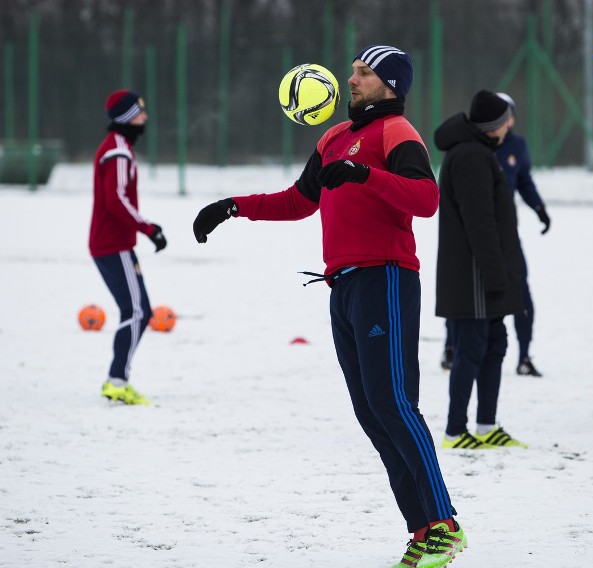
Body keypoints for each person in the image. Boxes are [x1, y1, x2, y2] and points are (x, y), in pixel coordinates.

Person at [192, 45, 466, 568]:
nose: (352, 78)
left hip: (386, 278)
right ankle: (423, 530)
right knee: (371, 413)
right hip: (344, 286)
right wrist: (232, 207)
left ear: (390, 86)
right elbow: (298, 201)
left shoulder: (396, 134)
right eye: (355, 70)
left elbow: (425, 200)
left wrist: (366, 177)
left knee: (394, 406)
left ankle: (445, 523)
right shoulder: (335, 138)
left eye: (364, 73)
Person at [434, 89, 528, 450]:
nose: (510, 126)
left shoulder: (478, 152)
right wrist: (494, 273)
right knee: (470, 349)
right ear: (495, 124)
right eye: (506, 119)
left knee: (495, 343)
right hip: (473, 274)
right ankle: (456, 431)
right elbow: (479, 222)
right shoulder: (471, 156)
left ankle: (487, 426)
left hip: (485, 271)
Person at [440, 93, 550, 377]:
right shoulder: (475, 149)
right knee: (467, 295)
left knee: (520, 291)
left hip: (506, 235)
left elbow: (524, 180)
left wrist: (538, 207)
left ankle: (525, 355)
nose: (509, 121)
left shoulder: (516, 145)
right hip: (480, 235)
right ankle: (452, 346)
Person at [90, 90, 166, 406]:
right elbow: (116, 200)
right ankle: (117, 381)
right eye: (139, 113)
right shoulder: (119, 151)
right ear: (125, 117)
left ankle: (118, 379)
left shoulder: (119, 148)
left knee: (135, 311)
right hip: (112, 244)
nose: (145, 118)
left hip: (114, 244)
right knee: (137, 311)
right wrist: (150, 229)